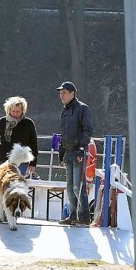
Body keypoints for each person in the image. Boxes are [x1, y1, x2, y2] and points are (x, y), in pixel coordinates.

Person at [55, 81, 94, 226]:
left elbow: (87, 129)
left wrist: (82, 149)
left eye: (64, 92)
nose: (61, 95)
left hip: (78, 152)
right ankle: (73, 215)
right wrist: (61, 153)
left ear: (72, 93)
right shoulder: (65, 111)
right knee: (70, 187)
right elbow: (64, 134)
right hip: (69, 152)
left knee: (78, 186)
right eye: (60, 93)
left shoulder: (83, 109)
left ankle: (84, 218)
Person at [0, 96, 39, 178]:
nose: (15, 114)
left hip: (22, 160)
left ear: (23, 111)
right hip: (5, 159)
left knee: (17, 183)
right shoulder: (2, 122)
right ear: (9, 110)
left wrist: (33, 163)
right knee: (5, 184)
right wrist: (0, 149)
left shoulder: (29, 123)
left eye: (18, 111)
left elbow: (33, 144)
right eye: (13, 111)